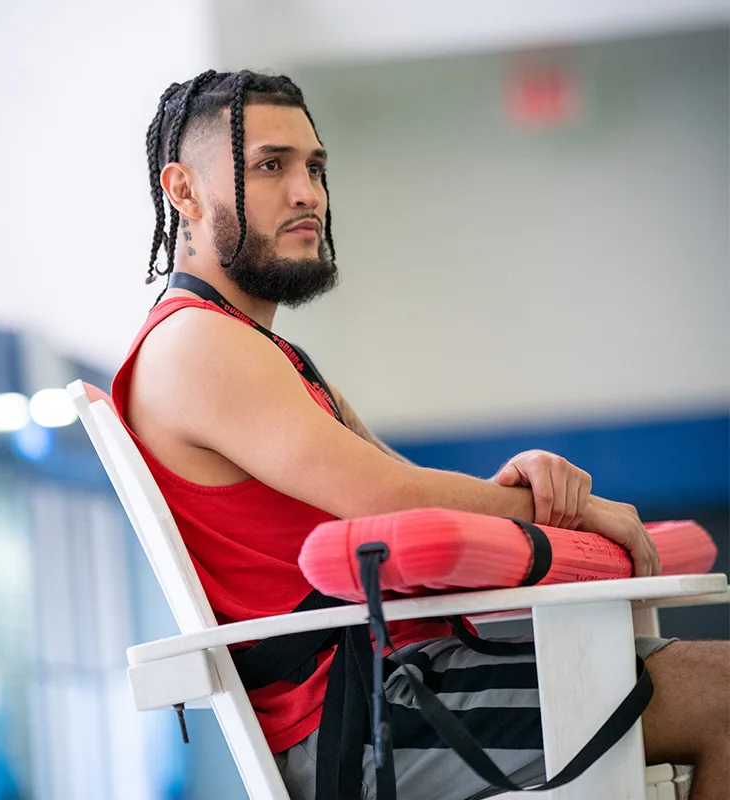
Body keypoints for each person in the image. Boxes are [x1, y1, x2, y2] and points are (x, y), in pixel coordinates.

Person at [111, 70, 728, 800]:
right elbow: (385, 497)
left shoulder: (265, 353)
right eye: (270, 165)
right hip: (359, 719)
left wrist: (519, 482)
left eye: (315, 167)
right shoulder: (196, 345)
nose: (307, 191)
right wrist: (577, 511)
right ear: (182, 190)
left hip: (403, 678)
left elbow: (403, 490)